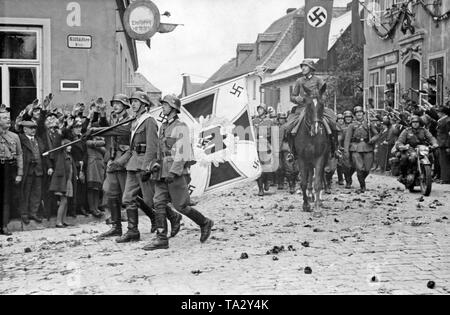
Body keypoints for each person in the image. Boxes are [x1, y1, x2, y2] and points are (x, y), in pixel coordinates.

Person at [142, 95, 213, 251]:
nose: (163, 108)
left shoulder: (181, 126)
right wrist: (151, 167)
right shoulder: (163, 127)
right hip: (161, 171)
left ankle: (204, 222)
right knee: (158, 202)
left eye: (165, 105)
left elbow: (182, 152)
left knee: (181, 206)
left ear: (173, 108)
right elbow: (160, 152)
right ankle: (161, 238)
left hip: (176, 172)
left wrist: (174, 172)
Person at [287, 59, 337, 155]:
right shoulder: (299, 81)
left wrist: (319, 99)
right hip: (302, 108)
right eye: (302, 66)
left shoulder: (318, 80)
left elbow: (324, 94)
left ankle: (335, 149)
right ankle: (292, 152)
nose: (303, 68)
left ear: (311, 68)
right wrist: (297, 99)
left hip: (317, 108)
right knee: (288, 127)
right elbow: (292, 96)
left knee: (333, 124)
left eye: (305, 66)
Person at [394, 115, 439, 186]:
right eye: (413, 122)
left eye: (417, 122)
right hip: (409, 149)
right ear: (411, 123)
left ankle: (429, 175)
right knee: (405, 158)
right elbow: (400, 141)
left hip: (421, 148)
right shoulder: (406, 131)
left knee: (430, 156)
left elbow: (431, 138)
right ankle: (403, 175)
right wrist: (402, 146)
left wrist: (434, 143)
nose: (415, 123)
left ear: (420, 123)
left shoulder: (424, 130)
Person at [344, 106, 379, 193]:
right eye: (357, 113)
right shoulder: (352, 125)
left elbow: (377, 134)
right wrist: (346, 151)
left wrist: (373, 139)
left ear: (363, 114)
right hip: (355, 147)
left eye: (360, 112)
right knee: (359, 168)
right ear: (355, 115)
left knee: (367, 169)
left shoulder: (368, 124)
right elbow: (347, 139)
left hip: (367, 146)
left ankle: (361, 179)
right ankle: (362, 186)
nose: (359, 114)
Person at [18, 120, 47, 224]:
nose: (33, 130)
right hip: (27, 170)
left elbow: (43, 153)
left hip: (38, 170)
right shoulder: (21, 139)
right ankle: (24, 214)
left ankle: (33, 213)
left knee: (37, 193)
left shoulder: (38, 140)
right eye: (31, 128)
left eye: (34, 128)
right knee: (25, 193)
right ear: (25, 129)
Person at [0, 106, 23, 235]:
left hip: (8, 168)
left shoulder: (14, 136)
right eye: (4, 118)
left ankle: (4, 226)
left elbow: (20, 155)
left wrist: (20, 173)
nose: (8, 120)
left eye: (8, 118)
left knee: (6, 198)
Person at [49, 138, 77, 228]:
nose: (70, 147)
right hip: (61, 182)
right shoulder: (60, 155)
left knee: (66, 201)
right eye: (68, 145)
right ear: (64, 146)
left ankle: (64, 220)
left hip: (68, 181)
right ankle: (58, 221)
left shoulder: (69, 156)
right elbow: (57, 146)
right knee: (63, 201)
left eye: (71, 145)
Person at [252, 104, 274, 196]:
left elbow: (273, 134)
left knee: (267, 167)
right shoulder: (254, 121)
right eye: (258, 109)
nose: (259, 110)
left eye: (261, 109)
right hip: (256, 147)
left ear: (264, 111)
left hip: (266, 146)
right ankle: (260, 188)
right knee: (258, 168)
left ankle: (268, 181)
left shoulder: (270, 121)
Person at [86, 136, 106, 218]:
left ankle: (96, 207)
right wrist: (102, 140)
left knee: (97, 188)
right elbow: (98, 144)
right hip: (92, 166)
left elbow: (104, 150)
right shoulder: (88, 142)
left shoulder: (96, 144)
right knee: (92, 188)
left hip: (99, 166)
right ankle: (92, 208)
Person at [436, 105, 450, 184]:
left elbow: (449, 134)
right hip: (441, 143)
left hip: (445, 144)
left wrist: (448, 146)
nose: (438, 113)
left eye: (439, 112)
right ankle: (444, 177)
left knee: (445, 162)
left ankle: (446, 179)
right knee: (442, 161)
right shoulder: (442, 120)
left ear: (443, 113)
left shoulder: (447, 121)